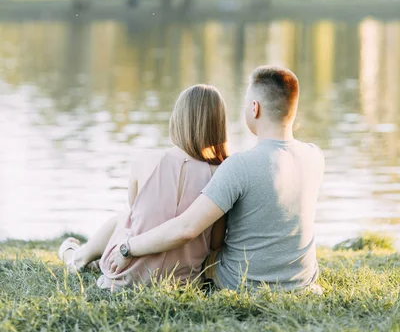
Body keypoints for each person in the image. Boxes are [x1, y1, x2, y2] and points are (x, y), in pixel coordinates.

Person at [108, 66, 325, 292]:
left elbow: (186, 229)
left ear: (255, 108)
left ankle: (81, 255)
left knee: (195, 250)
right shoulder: (315, 157)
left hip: (242, 282)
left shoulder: (238, 165)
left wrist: (128, 248)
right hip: (301, 281)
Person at [58, 84, 228, 289]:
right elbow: (215, 243)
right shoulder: (221, 174)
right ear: (218, 125)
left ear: (177, 119)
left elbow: (135, 217)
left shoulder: (146, 159)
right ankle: (80, 256)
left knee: (123, 218)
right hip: (181, 281)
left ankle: (75, 257)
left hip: (126, 275)